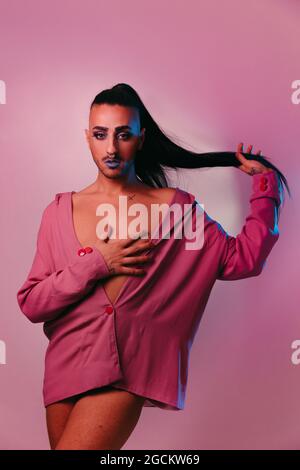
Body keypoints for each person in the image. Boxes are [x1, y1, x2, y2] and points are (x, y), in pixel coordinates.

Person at [16, 83, 290, 450]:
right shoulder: (58, 212)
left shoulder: (177, 210)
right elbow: (33, 303)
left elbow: (242, 258)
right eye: (100, 135)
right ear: (87, 138)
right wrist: (98, 262)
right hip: (65, 364)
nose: (111, 148)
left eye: (123, 135)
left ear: (141, 139)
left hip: (127, 366)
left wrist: (264, 185)